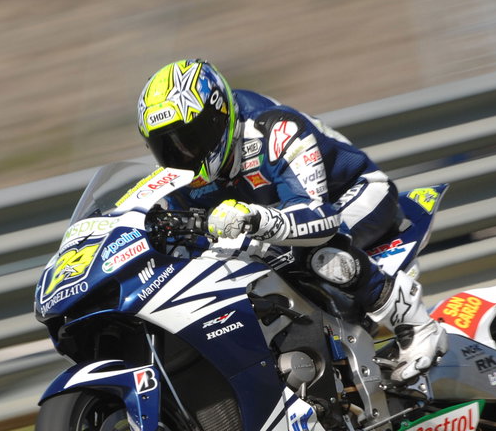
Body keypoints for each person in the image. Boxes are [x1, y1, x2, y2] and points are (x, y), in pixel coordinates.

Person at [136, 58, 446, 381]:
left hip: (356, 194)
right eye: (167, 147)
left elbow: (320, 218)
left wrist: (254, 218)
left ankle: (412, 319)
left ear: (219, 116)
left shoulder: (273, 130)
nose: (183, 155)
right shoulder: (181, 178)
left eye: (190, 138)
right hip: (276, 219)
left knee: (304, 250)